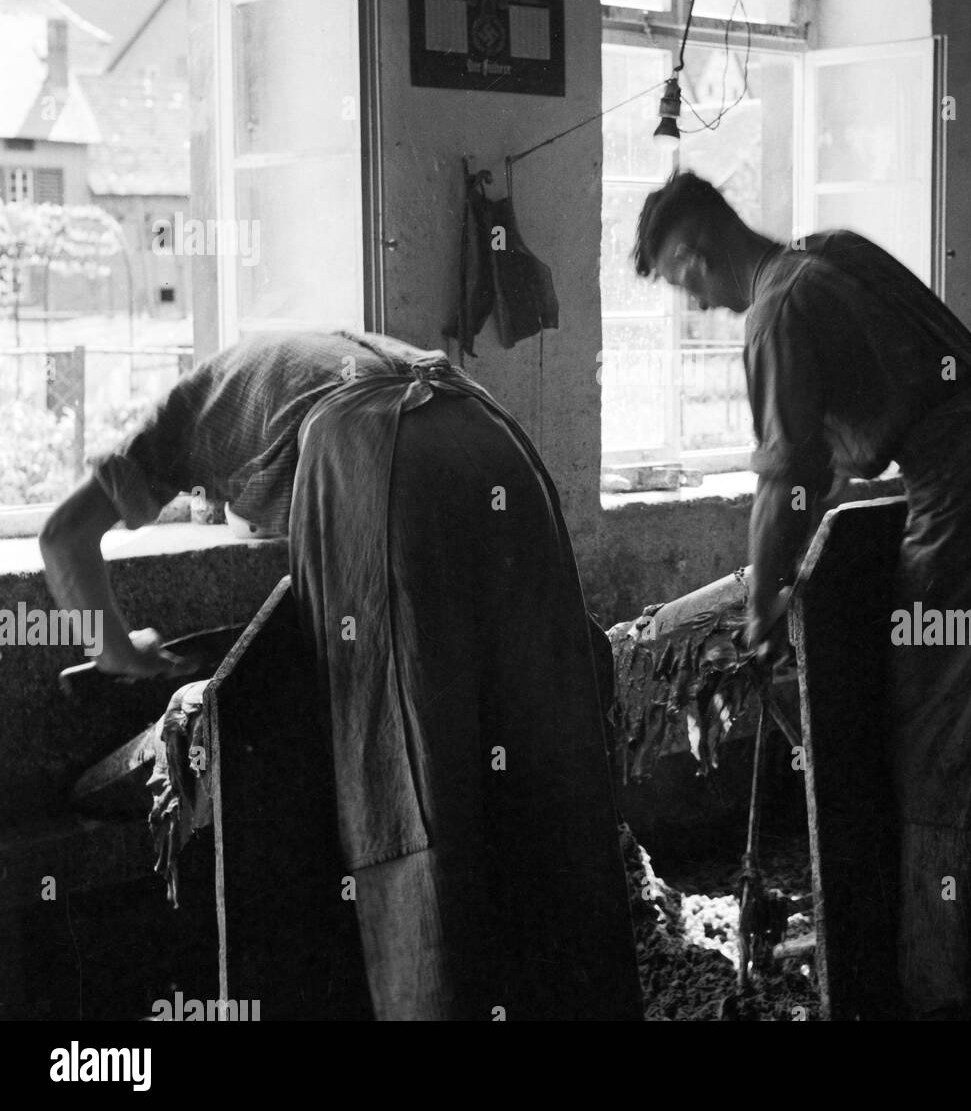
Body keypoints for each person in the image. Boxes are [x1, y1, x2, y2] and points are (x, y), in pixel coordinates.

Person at [40, 330, 643, 1021]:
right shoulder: (288, 367)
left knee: (404, 786)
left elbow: (63, 537)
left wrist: (116, 647)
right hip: (490, 435)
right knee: (543, 758)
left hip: (381, 458)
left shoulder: (183, 412)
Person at [632, 169, 971, 1020]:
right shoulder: (831, 254)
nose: (697, 304)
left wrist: (762, 609)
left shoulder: (776, 311)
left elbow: (788, 481)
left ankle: (944, 991)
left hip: (969, 494)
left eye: (684, 282)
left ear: (696, 251)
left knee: (939, 743)